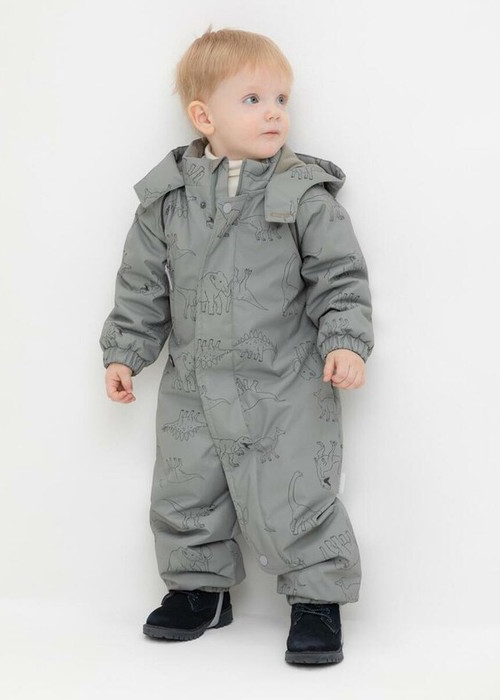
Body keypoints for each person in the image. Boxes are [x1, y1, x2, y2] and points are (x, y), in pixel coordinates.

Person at [99, 26, 374, 665]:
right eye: (252, 99)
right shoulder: (166, 202)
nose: (274, 112)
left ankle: (316, 599)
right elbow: (141, 285)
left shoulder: (302, 194)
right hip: (194, 379)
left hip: (287, 378)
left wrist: (345, 341)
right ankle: (199, 590)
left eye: (281, 98)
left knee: (297, 487)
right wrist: (124, 351)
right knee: (186, 485)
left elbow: (339, 276)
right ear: (204, 117)